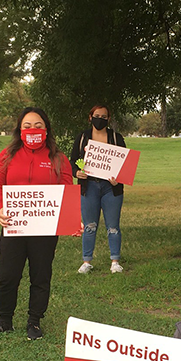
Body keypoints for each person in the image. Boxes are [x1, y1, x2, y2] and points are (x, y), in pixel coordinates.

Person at [0, 107, 74, 340]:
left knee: (41, 275)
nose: (32, 130)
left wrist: (73, 220)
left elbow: (66, 191)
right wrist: (1, 208)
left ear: (46, 130)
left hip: (45, 229)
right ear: (19, 129)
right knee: (7, 274)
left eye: (37, 126)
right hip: (14, 225)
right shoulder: (7, 155)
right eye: (27, 126)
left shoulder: (58, 158)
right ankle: (4, 320)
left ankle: (34, 321)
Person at [70, 105, 127, 274]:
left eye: (104, 116)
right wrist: (77, 173)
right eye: (97, 116)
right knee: (89, 225)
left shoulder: (116, 138)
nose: (100, 119)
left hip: (111, 188)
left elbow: (125, 164)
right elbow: (73, 161)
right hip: (89, 187)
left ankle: (115, 261)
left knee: (113, 226)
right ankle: (87, 261)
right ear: (90, 117)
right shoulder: (82, 137)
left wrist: (119, 179)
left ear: (108, 119)